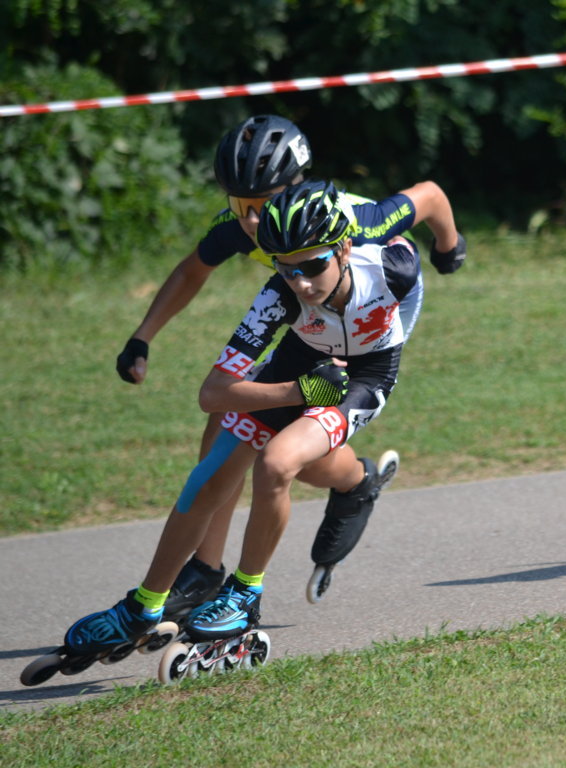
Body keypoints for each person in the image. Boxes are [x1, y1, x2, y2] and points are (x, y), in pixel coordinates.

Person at [65, 180, 458, 648]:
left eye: (313, 266)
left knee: (276, 462)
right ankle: (144, 604)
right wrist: (297, 390)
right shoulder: (279, 295)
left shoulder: (395, 268)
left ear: (344, 248)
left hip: (366, 374)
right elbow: (213, 394)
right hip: (301, 362)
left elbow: (431, 199)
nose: (302, 283)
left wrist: (448, 248)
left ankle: (245, 594)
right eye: (286, 269)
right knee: (208, 477)